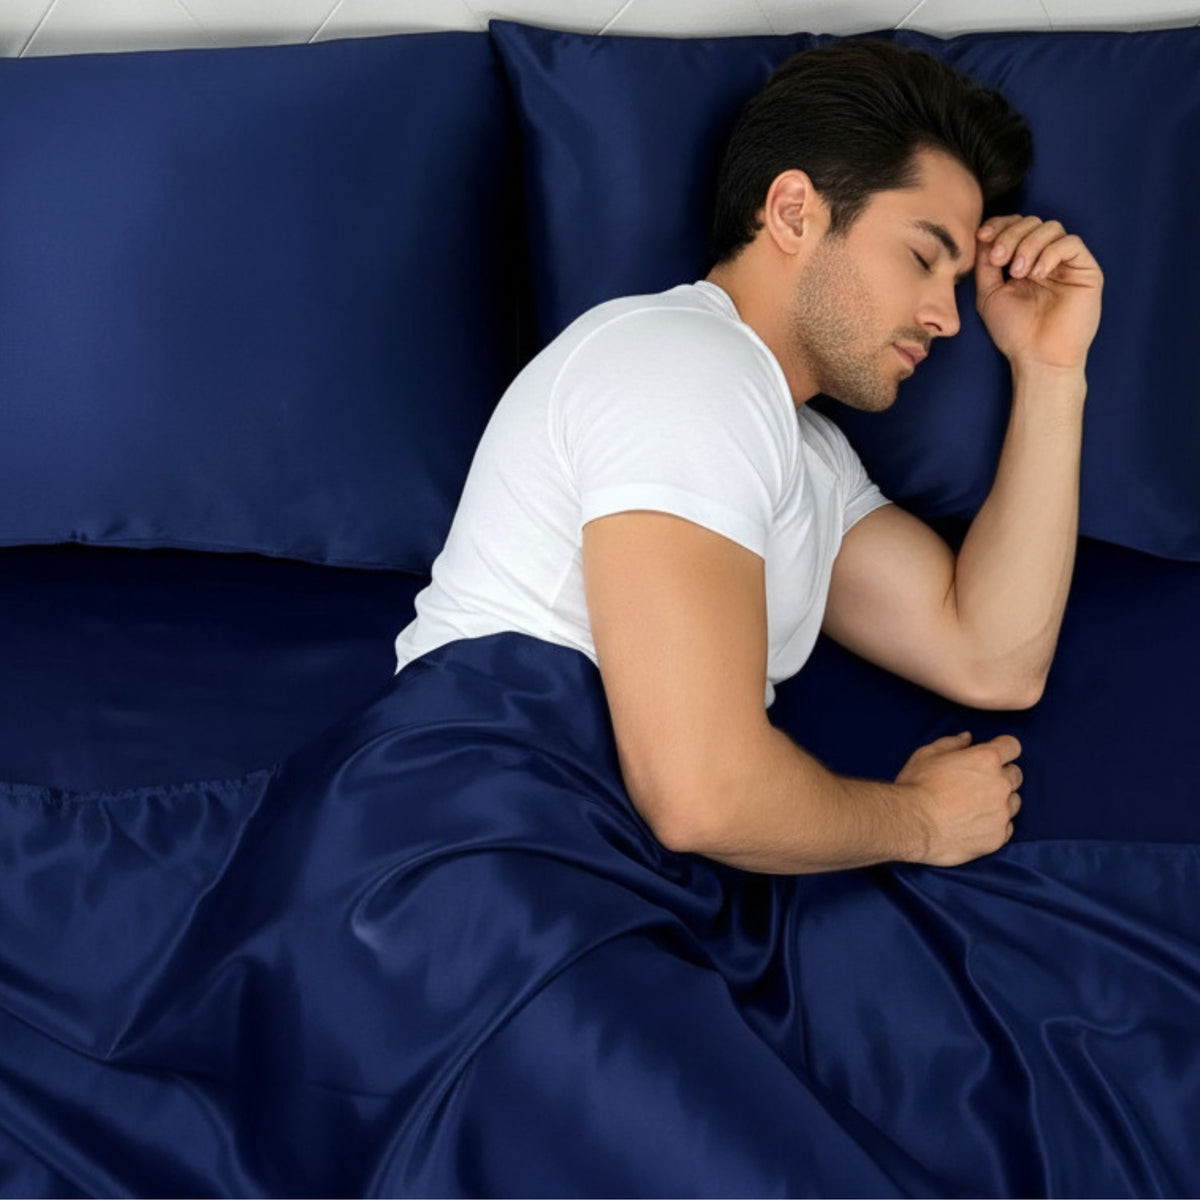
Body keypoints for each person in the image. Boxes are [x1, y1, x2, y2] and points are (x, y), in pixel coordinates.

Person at [392, 36, 1103, 876]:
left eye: (954, 283)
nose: (948, 319)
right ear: (794, 211)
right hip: (476, 835)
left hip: (570, 849)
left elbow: (994, 657)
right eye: (921, 258)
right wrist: (919, 821)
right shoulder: (687, 366)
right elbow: (702, 795)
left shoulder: (800, 446)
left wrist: (1051, 370)